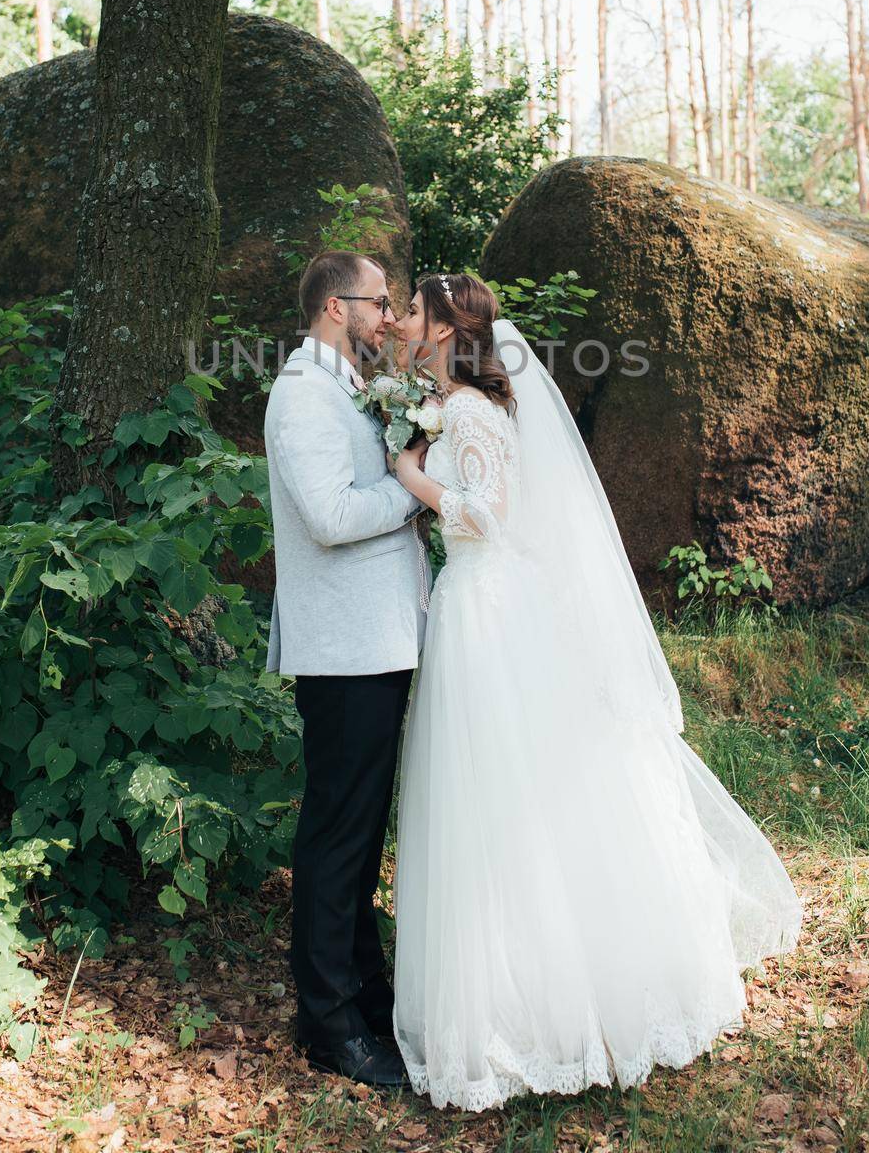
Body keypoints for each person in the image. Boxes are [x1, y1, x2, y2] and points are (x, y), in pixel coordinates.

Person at [388, 271, 803, 1112]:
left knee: (495, 793)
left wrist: (410, 476)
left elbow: (488, 513)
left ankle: (532, 1009)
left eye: (415, 312)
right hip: (487, 600)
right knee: (508, 790)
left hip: (485, 603)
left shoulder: (465, 408)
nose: (403, 321)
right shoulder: (464, 404)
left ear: (441, 331)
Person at [263, 250, 431, 1088]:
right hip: (344, 649)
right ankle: (326, 1020)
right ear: (337, 308)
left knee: (362, 832)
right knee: (337, 833)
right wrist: (418, 489)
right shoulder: (301, 397)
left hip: (378, 640)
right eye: (379, 302)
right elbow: (330, 518)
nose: (389, 315)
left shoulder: (349, 390)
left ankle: (363, 993)